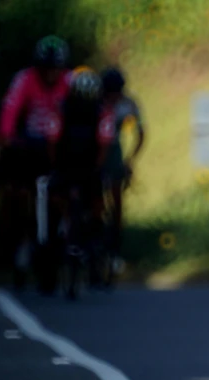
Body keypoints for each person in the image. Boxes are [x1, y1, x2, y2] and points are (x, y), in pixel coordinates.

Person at [0, 35, 71, 289]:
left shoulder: (68, 83)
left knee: (65, 193)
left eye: (55, 68)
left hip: (58, 147)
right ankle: (15, 241)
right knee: (15, 192)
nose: (50, 74)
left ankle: (66, 239)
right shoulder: (24, 79)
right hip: (27, 147)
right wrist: (7, 137)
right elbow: (10, 112)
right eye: (46, 68)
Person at [51, 67, 114, 271]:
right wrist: (55, 165)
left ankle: (97, 240)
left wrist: (97, 168)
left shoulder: (101, 112)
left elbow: (104, 144)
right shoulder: (62, 109)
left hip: (89, 167)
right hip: (67, 166)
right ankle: (58, 233)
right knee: (55, 197)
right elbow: (53, 140)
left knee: (97, 203)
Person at [100, 66, 145, 274]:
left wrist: (130, 160)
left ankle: (115, 248)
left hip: (114, 152)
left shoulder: (127, 104)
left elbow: (141, 132)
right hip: (95, 149)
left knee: (116, 200)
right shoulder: (97, 103)